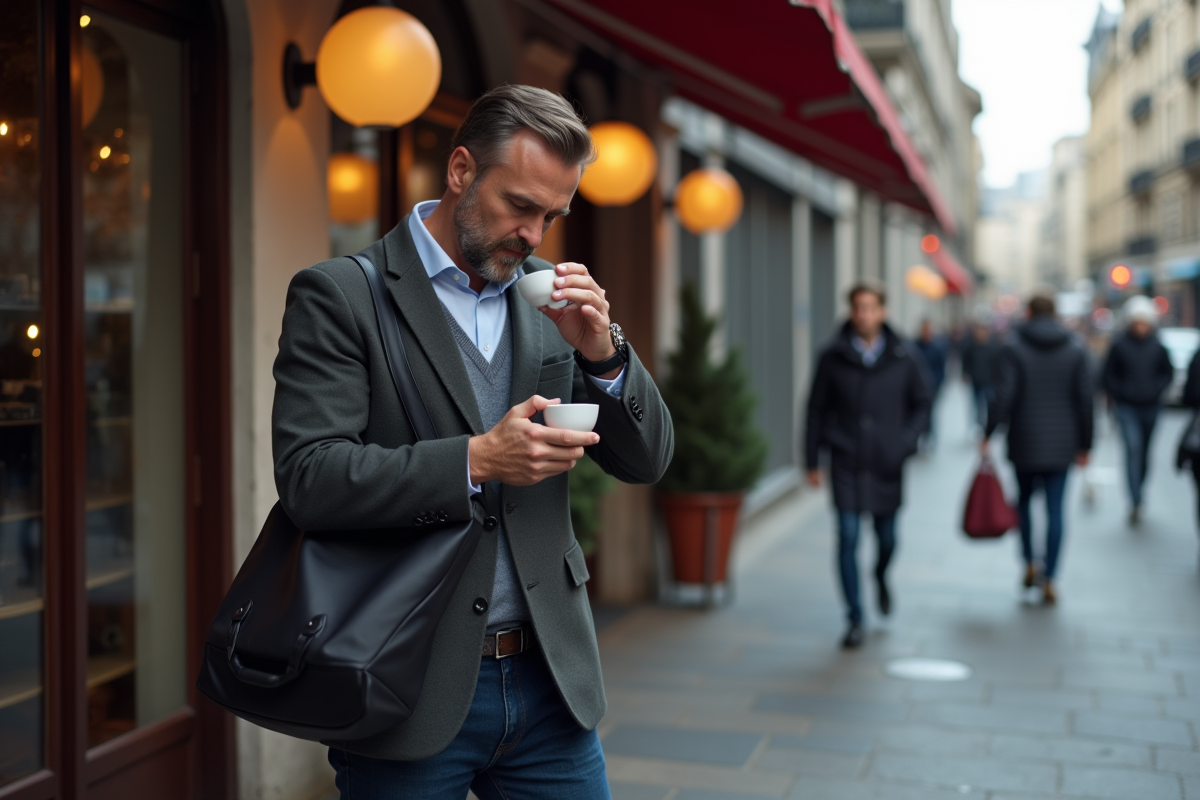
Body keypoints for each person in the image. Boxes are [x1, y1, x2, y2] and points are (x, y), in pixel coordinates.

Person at [272, 85, 674, 799]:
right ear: (461, 170)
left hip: (552, 683)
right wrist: (476, 460)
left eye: (552, 215)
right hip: (405, 683)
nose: (534, 235)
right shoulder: (343, 296)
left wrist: (605, 356)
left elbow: (646, 461)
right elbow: (311, 477)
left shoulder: (551, 294)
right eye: (520, 206)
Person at [804, 282, 932, 649]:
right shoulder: (832, 356)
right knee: (847, 537)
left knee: (887, 539)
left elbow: (923, 402)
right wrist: (812, 459)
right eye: (858, 308)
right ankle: (855, 617)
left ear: (883, 311)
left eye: (871, 308)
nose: (864, 314)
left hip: (886, 462)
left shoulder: (904, 355)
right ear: (851, 311)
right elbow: (815, 408)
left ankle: (880, 575)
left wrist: (906, 442)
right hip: (845, 460)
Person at [983, 295, 1093, 605]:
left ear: (1029, 313)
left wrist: (988, 431)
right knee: (1056, 510)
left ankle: (1030, 559)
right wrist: (1086, 444)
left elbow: (1003, 395)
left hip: (1025, 440)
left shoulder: (1013, 347)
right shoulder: (1075, 350)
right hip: (1062, 444)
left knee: (1024, 503)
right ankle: (1051, 575)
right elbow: (1086, 401)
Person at [1102, 295, 1173, 526]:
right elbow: (1107, 375)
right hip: (1127, 406)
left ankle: (1139, 489)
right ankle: (1135, 499)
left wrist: (1157, 389)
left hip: (1151, 406)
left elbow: (1167, 373)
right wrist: (1121, 391)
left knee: (1144, 452)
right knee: (1133, 449)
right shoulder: (1119, 344)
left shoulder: (1157, 345)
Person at [913, 319, 948, 446]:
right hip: (916, 388)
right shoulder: (914, 347)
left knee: (931, 415)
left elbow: (942, 369)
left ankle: (930, 439)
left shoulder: (937, 348)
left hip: (932, 387)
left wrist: (937, 385)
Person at [961, 322, 999, 432]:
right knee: (976, 403)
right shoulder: (971, 346)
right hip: (976, 379)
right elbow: (966, 360)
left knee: (989, 403)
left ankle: (988, 423)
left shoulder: (992, 346)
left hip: (989, 380)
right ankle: (978, 424)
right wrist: (965, 373)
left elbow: (996, 363)